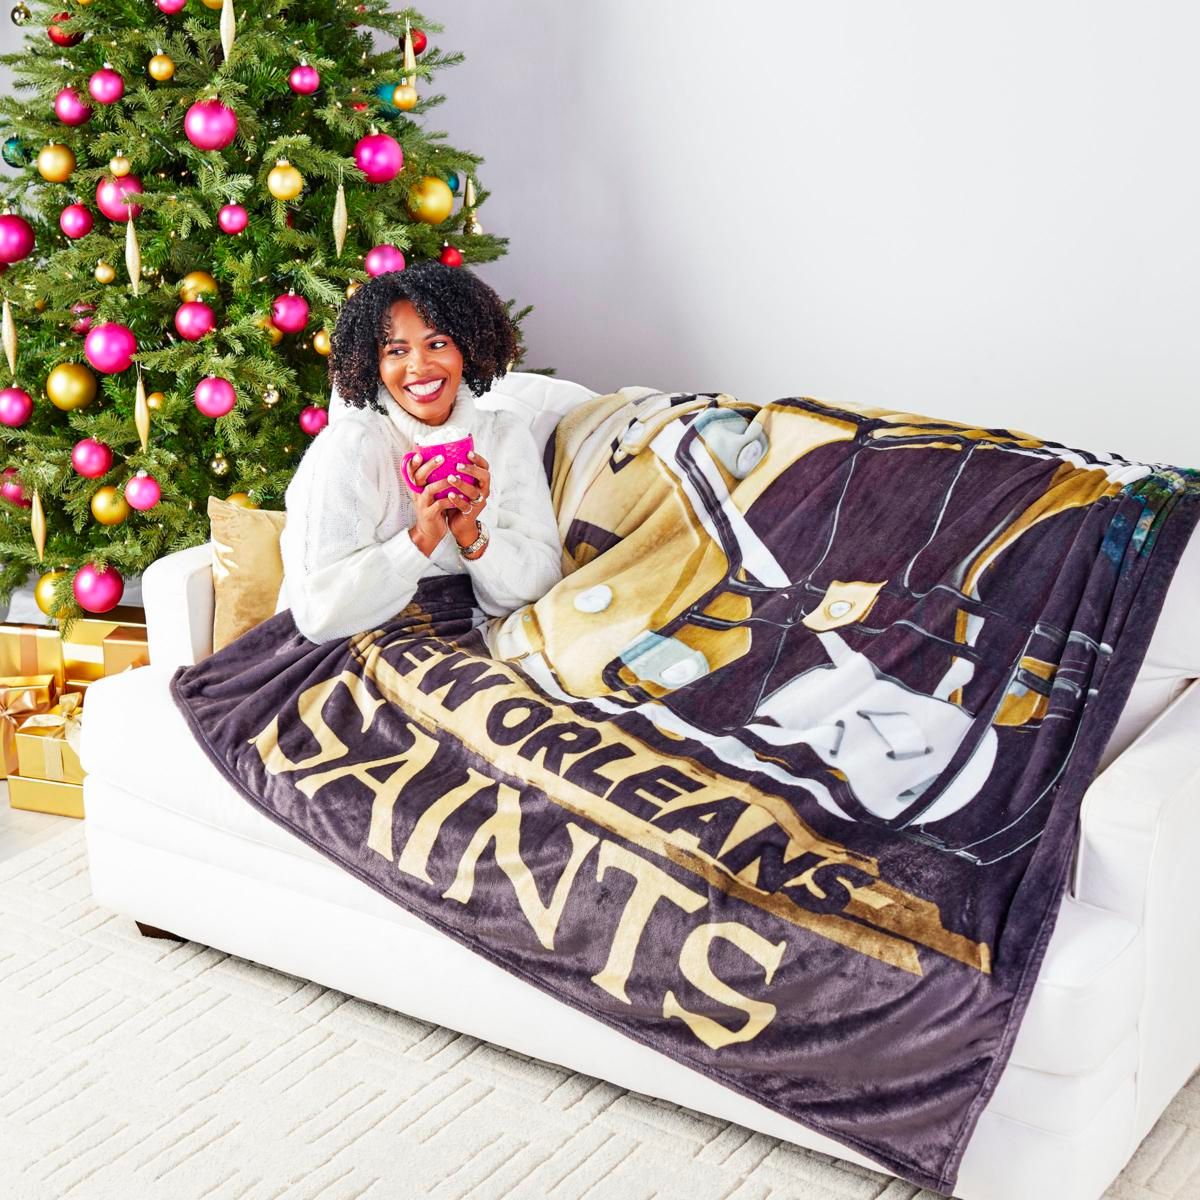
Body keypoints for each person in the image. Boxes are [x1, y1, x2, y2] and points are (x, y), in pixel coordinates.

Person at [277, 261, 564, 643]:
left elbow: (544, 582)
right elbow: (319, 614)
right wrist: (422, 538)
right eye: (396, 351)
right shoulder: (351, 446)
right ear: (374, 363)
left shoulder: (505, 436)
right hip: (357, 645)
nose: (419, 366)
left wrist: (471, 535)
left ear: (467, 346)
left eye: (438, 344)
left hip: (479, 638)